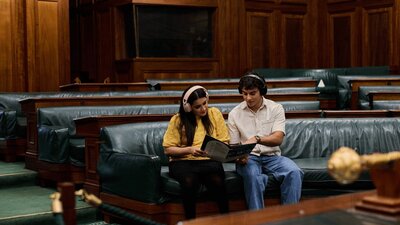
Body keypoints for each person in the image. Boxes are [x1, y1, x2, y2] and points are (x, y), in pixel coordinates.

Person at [227, 72, 304, 210]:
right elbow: (234, 146)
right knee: (253, 177)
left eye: (252, 93)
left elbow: (278, 139)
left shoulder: (276, 108)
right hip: (249, 158)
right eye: (244, 94)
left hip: (272, 157)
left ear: (262, 91)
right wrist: (238, 158)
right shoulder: (234, 113)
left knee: (294, 172)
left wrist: (257, 139)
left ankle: (290, 218)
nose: (248, 98)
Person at [162, 85, 230, 219]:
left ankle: (226, 220)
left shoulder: (215, 113)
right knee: (189, 182)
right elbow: (168, 149)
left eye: (205, 103)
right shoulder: (178, 119)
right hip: (183, 162)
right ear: (188, 107)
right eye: (197, 106)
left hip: (209, 160)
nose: (203, 108)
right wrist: (189, 149)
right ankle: (190, 221)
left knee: (217, 181)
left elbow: (225, 142)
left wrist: (214, 150)